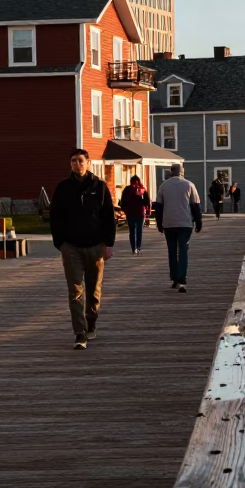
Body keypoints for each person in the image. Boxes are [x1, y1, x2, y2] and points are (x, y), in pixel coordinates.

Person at [51, 149, 117, 350]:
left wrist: (109, 243)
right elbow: (55, 217)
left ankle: (91, 322)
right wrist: (60, 243)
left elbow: (108, 218)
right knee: (75, 290)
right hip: (71, 247)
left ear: (88, 163)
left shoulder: (100, 187)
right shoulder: (63, 188)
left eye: (80, 161)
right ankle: (79, 333)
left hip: (95, 246)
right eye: (73, 161)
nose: (77, 164)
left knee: (94, 290)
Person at [154, 163, 202, 293]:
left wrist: (159, 223)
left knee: (171, 251)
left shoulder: (163, 186)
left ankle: (174, 278)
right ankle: (182, 281)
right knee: (183, 250)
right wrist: (199, 221)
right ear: (182, 172)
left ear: (171, 172)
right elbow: (195, 205)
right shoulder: (189, 185)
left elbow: (158, 206)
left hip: (169, 223)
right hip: (185, 223)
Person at [118, 175, 150, 254]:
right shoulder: (131, 189)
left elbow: (147, 201)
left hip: (137, 213)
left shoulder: (141, 189)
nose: (135, 185)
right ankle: (135, 247)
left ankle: (136, 247)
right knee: (134, 231)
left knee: (136, 231)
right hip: (135, 213)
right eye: (134, 183)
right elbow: (123, 201)